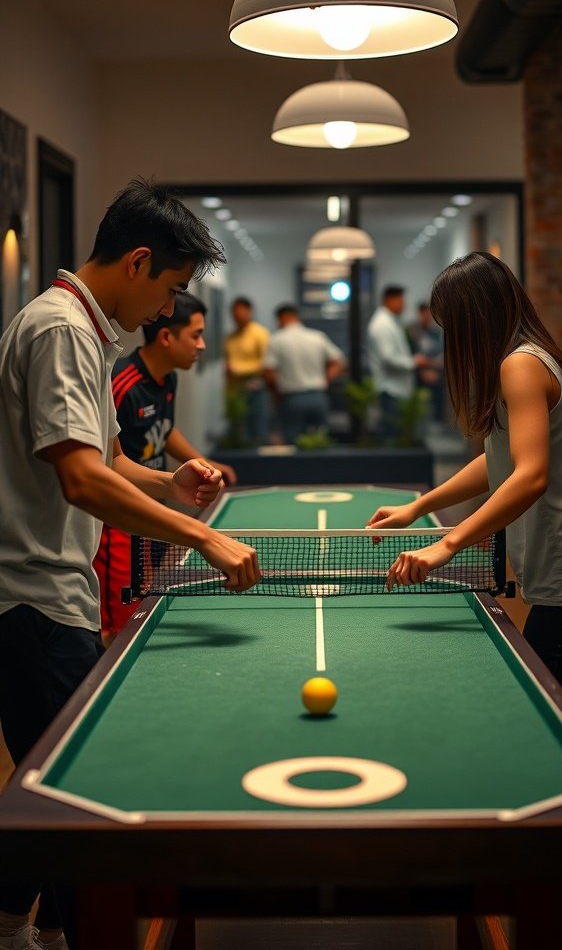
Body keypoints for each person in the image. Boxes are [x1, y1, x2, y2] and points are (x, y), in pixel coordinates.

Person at [0, 179, 260, 950]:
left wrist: (169, 484)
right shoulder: (62, 331)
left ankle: (17, 925)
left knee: (44, 787)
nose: (167, 311)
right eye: (172, 290)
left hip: (45, 596)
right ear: (139, 261)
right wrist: (204, 539)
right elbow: (80, 482)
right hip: (34, 598)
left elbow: (105, 457)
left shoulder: (78, 326)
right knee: (89, 806)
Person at [367, 252, 562, 702]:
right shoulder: (528, 357)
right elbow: (498, 458)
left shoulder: (518, 365)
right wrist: (420, 506)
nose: (450, 340)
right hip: (560, 580)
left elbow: (531, 476)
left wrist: (446, 543)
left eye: (451, 326)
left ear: (474, 319)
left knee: (548, 714)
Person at [94, 291, 238, 641]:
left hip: (152, 510)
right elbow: (107, 461)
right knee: (119, 627)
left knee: (145, 601)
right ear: (166, 337)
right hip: (119, 522)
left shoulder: (167, 378)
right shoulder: (121, 385)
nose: (202, 345)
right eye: (196, 335)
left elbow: (164, 428)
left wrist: (202, 462)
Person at [263, 304, 346, 444]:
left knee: (293, 443)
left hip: (292, 399)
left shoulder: (276, 340)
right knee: (319, 442)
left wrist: (276, 395)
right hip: (318, 397)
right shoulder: (317, 337)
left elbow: (269, 373)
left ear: (282, 318)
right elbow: (339, 362)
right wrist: (326, 379)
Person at [367, 285, 428, 446]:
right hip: (390, 390)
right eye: (401, 300)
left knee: (395, 436)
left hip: (396, 390)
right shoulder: (382, 325)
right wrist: (414, 362)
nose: (404, 304)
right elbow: (388, 359)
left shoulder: (389, 322)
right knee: (391, 439)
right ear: (389, 300)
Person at [224, 296, 269, 446]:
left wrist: (238, 369)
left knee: (256, 429)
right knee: (238, 431)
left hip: (255, 389)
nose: (237, 316)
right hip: (235, 391)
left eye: (240, 311)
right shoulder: (231, 336)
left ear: (249, 311)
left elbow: (265, 364)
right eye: (234, 312)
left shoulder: (260, 333)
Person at [407, 301, 444, 424]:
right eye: (422, 313)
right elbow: (411, 355)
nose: (425, 316)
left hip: (436, 373)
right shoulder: (413, 331)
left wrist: (430, 366)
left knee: (438, 396)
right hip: (418, 374)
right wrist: (423, 370)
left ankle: (438, 422)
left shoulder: (438, 332)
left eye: (427, 313)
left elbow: (442, 357)